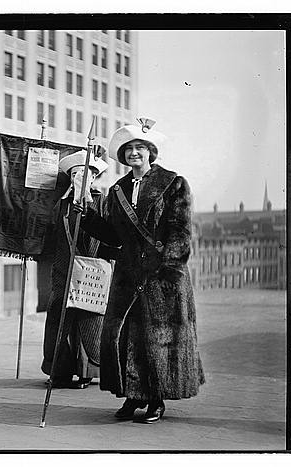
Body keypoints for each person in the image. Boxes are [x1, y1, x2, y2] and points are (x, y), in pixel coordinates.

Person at [80, 119, 204, 423]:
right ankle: (132, 397)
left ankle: (156, 400)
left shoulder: (174, 183)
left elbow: (180, 232)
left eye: (140, 148)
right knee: (124, 335)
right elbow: (113, 235)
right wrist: (87, 218)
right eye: (128, 149)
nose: (134, 153)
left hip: (162, 276)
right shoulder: (117, 190)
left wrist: (168, 269)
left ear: (151, 152)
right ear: (122, 156)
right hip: (128, 274)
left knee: (158, 338)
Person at [41, 151, 119, 389]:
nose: (81, 179)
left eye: (86, 175)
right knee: (60, 317)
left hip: (93, 267)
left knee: (89, 316)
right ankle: (59, 371)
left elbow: (111, 236)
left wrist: (107, 264)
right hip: (64, 268)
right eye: (76, 174)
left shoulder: (103, 202)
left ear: (94, 178)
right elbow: (51, 234)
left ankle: (87, 371)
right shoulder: (62, 205)